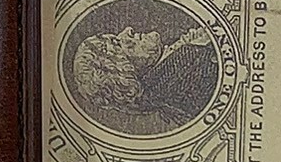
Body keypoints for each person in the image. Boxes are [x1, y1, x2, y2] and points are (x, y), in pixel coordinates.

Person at [71, 22, 215, 130]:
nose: (127, 30)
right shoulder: (187, 62)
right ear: (121, 70)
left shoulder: (172, 68)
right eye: (116, 43)